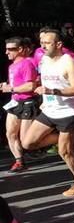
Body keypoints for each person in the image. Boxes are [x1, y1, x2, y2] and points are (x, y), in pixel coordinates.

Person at [22, 29, 74, 197]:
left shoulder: (68, 62)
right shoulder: (44, 60)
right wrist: (45, 99)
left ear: (58, 44)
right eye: (41, 42)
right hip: (50, 109)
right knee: (28, 143)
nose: (43, 45)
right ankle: (63, 141)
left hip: (68, 112)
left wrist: (52, 91)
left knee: (65, 152)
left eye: (47, 42)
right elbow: (45, 81)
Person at [1, 37, 39, 172]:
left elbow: (30, 85)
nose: (7, 52)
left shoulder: (26, 63)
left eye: (10, 49)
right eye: (6, 49)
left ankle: (54, 140)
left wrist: (11, 88)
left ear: (20, 49)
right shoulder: (11, 66)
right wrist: (6, 86)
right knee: (10, 134)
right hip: (14, 102)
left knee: (26, 141)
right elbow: (16, 84)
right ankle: (19, 161)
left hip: (28, 103)